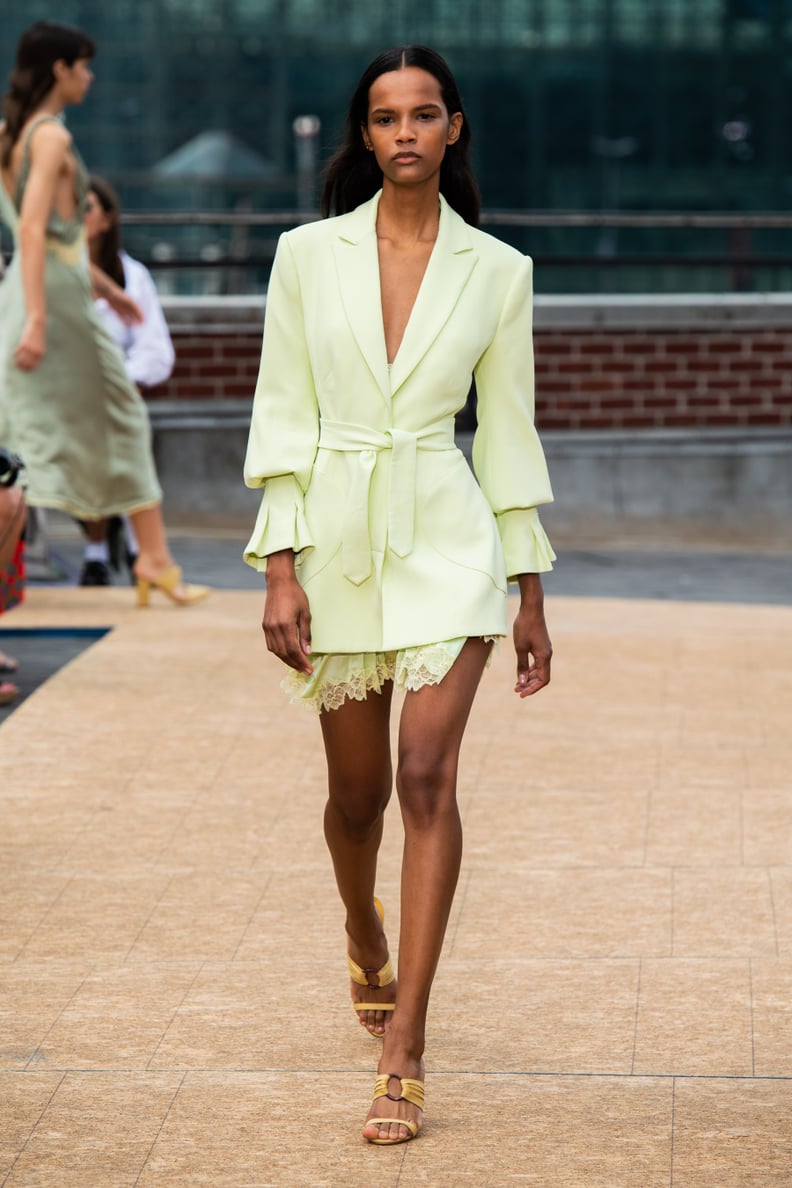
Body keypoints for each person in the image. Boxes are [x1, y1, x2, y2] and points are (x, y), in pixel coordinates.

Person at [243, 45, 555, 1145]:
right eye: (386, 117)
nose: (406, 132)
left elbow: (507, 436)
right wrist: (278, 564)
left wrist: (527, 589)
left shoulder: (499, 272)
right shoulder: (303, 257)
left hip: (449, 538)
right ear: (364, 135)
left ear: (454, 130)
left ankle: (406, 1044)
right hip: (332, 537)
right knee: (358, 799)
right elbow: (282, 410)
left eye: (426, 114)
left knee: (428, 774)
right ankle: (360, 932)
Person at [0, 20, 207, 607]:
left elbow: (43, 238)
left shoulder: (11, 134)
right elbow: (36, 228)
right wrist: (40, 318)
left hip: (35, 290)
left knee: (16, 436)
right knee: (122, 418)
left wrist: (107, 290)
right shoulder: (50, 138)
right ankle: (155, 560)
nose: (89, 77)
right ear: (60, 69)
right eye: (84, 66)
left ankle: (155, 559)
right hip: (53, 304)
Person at [78, 175, 176, 586]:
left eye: (86, 209)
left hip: (116, 394)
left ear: (107, 219)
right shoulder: (52, 274)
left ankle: (115, 550)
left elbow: (155, 350)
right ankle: (121, 548)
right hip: (61, 394)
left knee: (113, 428)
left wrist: (118, 382)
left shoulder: (132, 276)